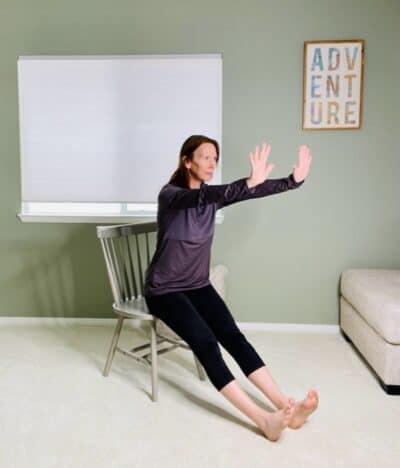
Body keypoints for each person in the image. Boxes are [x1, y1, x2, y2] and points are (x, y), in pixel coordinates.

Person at [144, 135, 318, 442]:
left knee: (233, 337)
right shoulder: (170, 196)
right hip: (163, 290)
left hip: (196, 284)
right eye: (205, 157)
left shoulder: (211, 196)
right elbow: (212, 195)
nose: (212, 163)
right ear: (187, 161)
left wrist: (293, 180)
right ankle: (264, 420)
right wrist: (248, 182)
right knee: (207, 343)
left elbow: (251, 191)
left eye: (215, 158)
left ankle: (284, 404)